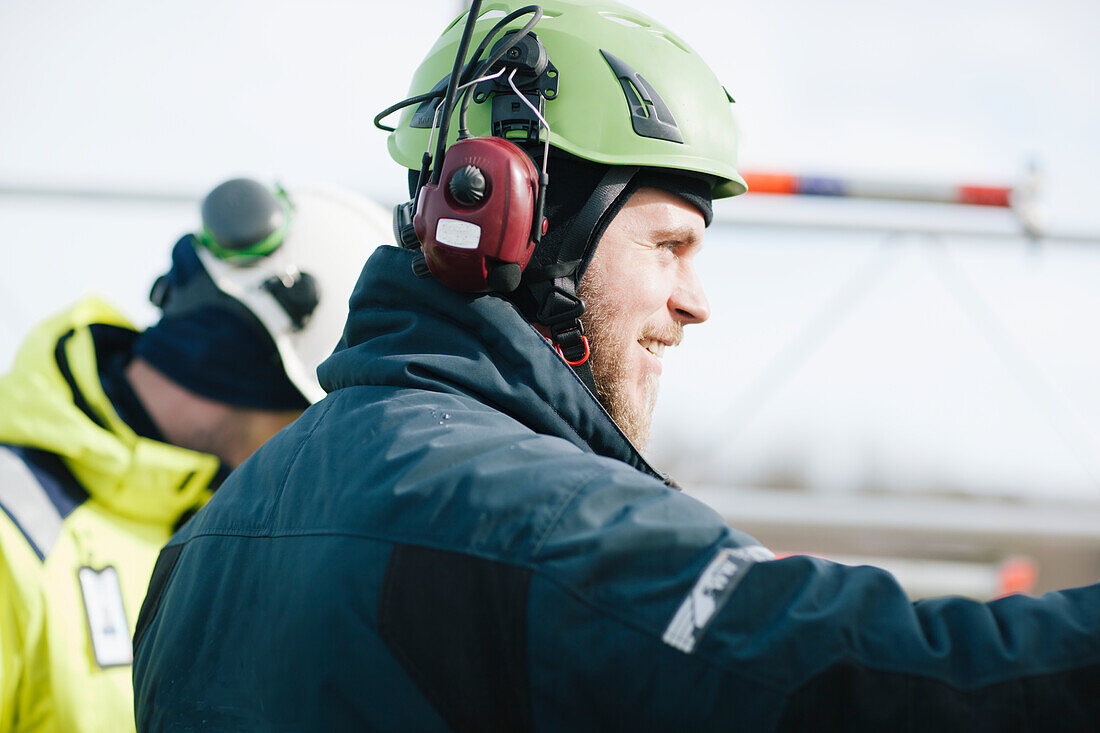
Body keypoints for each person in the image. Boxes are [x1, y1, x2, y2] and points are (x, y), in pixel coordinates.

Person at [133, 3, 1100, 731]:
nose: (696, 301)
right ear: (517, 225)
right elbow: (870, 672)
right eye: (669, 245)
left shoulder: (200, 547)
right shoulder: (528, 520)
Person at [0, 178, 391, 732]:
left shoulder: (220, 536)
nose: (320, 448)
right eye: (320, 419)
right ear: (268, 372)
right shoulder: (14, 529)